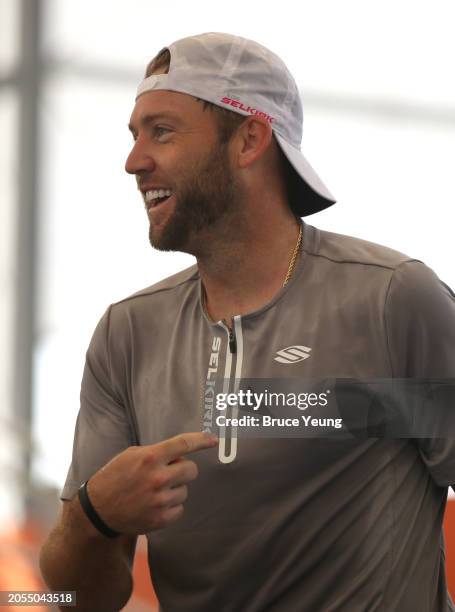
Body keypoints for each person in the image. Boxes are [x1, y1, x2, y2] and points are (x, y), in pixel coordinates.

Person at [39, 32, 455, 611]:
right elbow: (73, 600)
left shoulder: (389, 300)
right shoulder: (126, 336)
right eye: (135, 135)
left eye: (162, 131)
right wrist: (92, 517)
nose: (133, 161)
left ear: (249, 139)